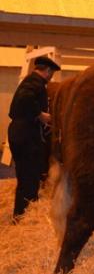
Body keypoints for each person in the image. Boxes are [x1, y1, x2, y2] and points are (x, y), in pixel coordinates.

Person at [8, 56, 60, 222]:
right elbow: (25, 98)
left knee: (28, 173)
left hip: (21, 132)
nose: (51, 77)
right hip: (25, 134)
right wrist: (40, 114)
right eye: (51, 73)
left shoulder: (31, 81)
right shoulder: (35, 83)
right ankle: (22, 215)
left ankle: (25, 210)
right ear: (48, 71)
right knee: (29, 175)